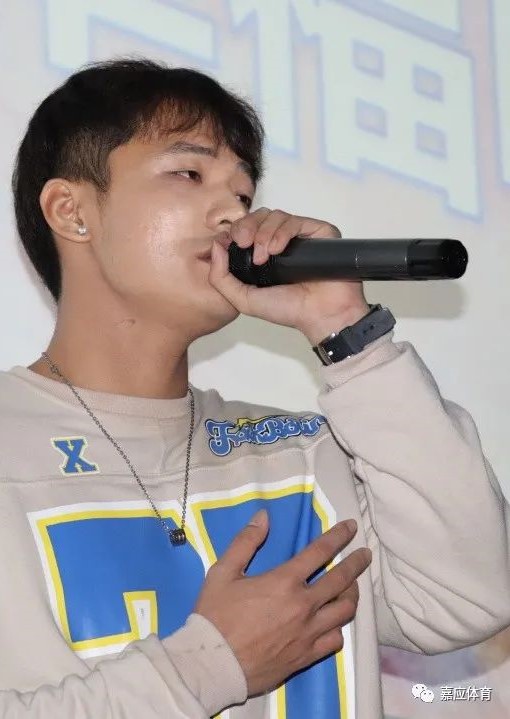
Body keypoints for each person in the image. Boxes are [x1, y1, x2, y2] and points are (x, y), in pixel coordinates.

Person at [0, 58, 508, 719]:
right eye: (189, 173)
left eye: (243, 193)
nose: (233, 212)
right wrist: (212, 665)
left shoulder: (304, 454)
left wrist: (347, 335)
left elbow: (472, 594)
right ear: (71, 211)